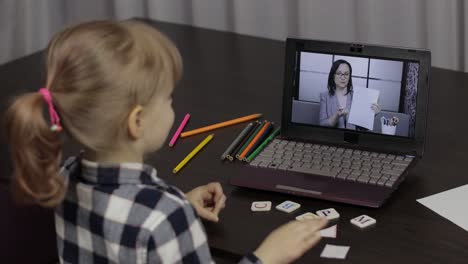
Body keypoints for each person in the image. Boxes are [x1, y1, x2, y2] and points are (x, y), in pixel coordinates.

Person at [5, 20, 327, 263]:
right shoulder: (165, 218)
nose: (174, 105)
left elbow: (119, 225)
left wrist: (180, 203)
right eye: (169, 98)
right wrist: (268, 255)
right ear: (137, 121)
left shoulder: (62, 178)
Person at [319, 59, 380, 130]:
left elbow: (362, 128)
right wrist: (336, 116)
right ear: (333, 75)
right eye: (339, 73)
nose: (343, 77)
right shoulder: (324, 96)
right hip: (332, 138)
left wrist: (372, 114)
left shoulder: (357, 96)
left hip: (353, 139)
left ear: (349, 76)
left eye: (346, 74)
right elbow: (322, 125)